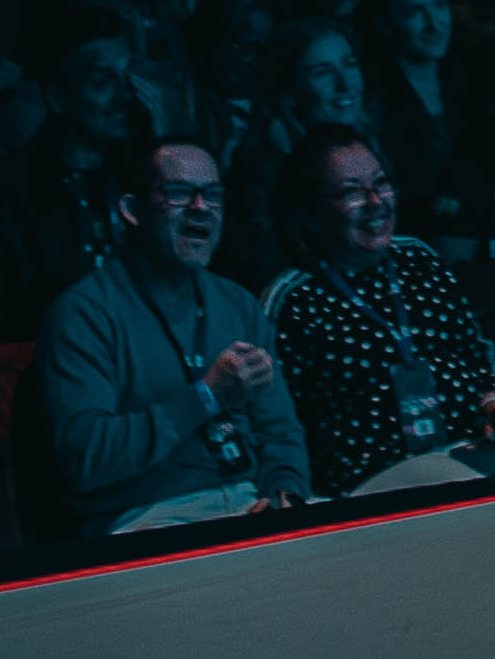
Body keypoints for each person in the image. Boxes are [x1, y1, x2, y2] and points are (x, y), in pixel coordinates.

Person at [31, 147, 302, 532]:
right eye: (179, 192)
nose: (200, 206)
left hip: (249, 505)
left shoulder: (238, 303)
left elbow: (280, 430)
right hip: (147, 518)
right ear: (131, 210)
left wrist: (285, 494)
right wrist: (205, 397)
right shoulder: (84, 313)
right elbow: (85, 459)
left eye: (213, 195)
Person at [263, 142, 495, 495]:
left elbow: (477, 353)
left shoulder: (418, 258)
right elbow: (279, 423)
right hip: (374, 482)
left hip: (469, 452)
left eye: (381, 184)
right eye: (352, 192)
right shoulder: (294, 298)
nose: (375, 202)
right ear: (311, 213)